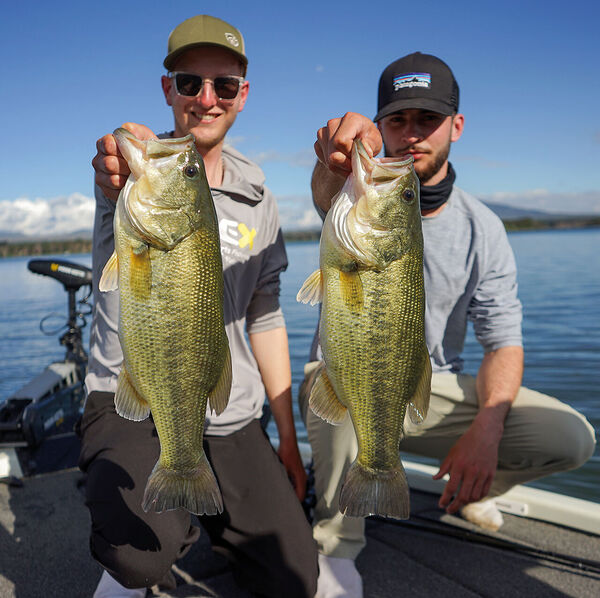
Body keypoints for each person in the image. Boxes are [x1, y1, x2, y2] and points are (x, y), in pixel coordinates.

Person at [300, 52, 597, 598]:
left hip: (429, 387)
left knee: (571, 438)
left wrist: (487, 428)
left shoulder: (484, 227)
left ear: (456, 126)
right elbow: (326, 194)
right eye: (396, 120)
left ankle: (472, 486)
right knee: (338, 382)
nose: (411, 134)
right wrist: (335, 163)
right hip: (352, 371)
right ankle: (338, 549)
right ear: (380, 124)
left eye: (426, 120)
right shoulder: (353, 198)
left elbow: (504, 338)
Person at [81, 14, 318, 598]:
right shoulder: (139, 175)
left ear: (242, 94)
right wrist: (114, 179)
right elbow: (115, 178)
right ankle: (167, 524)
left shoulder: (259, 192)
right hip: (129, 394)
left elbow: (265, 313)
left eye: (225, 85)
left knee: (295, 580)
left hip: (224, 406)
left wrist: (286, 438)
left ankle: (193, 508)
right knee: (139, 558)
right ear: (169, 90)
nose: (206, 99)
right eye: (190, 83)